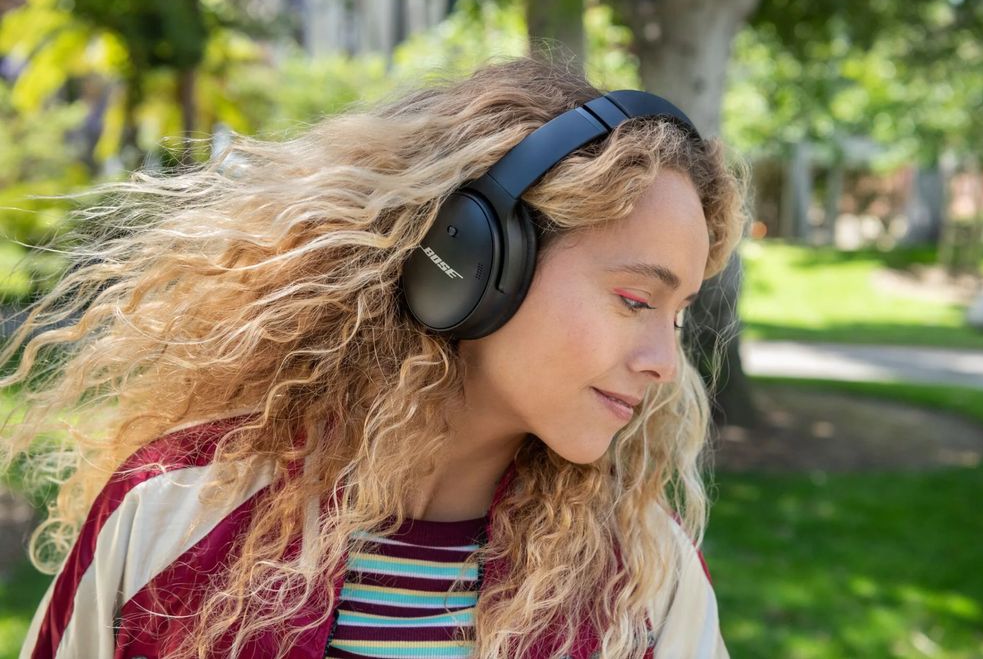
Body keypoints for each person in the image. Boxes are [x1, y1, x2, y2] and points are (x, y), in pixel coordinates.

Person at [6, 56, 747, 659]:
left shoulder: (646, 582)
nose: (665, 362)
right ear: (473, 259)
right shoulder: (170, 515)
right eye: (635, 299)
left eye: (679, 315)